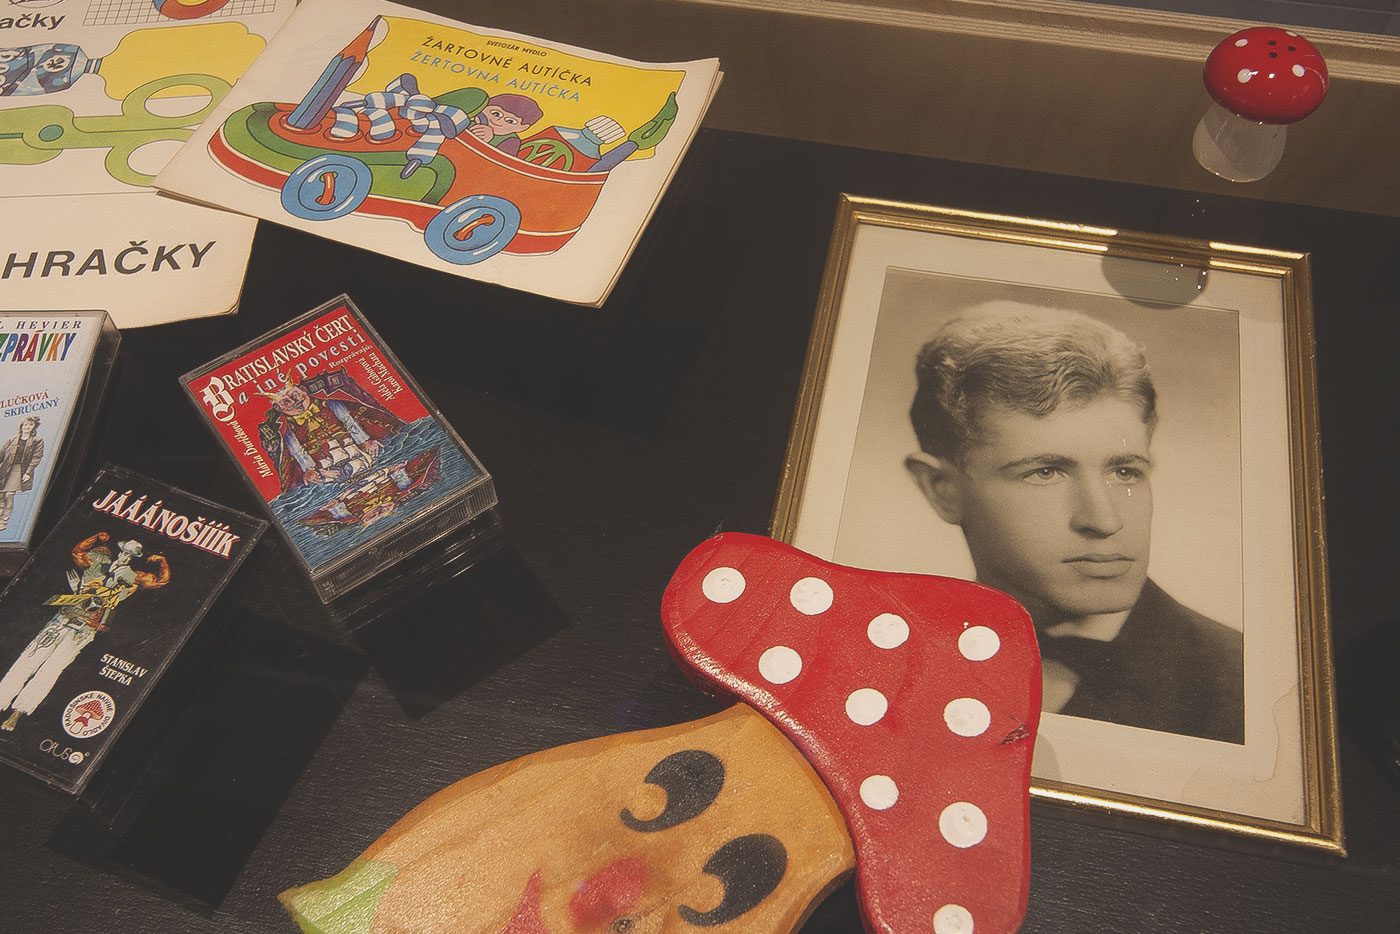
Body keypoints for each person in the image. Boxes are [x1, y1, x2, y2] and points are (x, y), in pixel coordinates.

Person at [905, 302, 1244, 744]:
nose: (1104, 521)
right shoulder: (896, 658)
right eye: (1045, 472)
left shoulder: (1240, 688)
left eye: (1125, 471)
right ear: (942, 490)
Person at [0, 532, 169, 732]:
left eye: (129, 555)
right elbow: (77, 553)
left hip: (86, 627)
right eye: (124, 552)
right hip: (63, 618)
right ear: (119, 551)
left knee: (52, 669)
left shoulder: (135, 577)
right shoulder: (98, 563)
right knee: (28, 659)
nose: (125, 557)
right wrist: (96, 537)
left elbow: (160, 581)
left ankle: (18, 712)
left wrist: (162, 561)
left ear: (133, 558)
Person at [256, 370, 406, 493]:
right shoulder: (287, 432)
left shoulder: (333, 404)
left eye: (295, 395)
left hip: (362, 457)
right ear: (278, 408)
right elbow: (294, 460)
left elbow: (357, 420)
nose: (294, 402)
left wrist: (366, 441)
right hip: (329, 478)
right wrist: (307, 473)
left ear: (303, 390)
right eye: (285, 402)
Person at [0, 415, 43, 532]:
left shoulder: (37, 440)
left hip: (19, 470)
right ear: (21, 426)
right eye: (25, 424)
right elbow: (1, 453)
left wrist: (28, 472)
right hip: (6, 470)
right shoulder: (12, 439)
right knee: (1, 495)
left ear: (34, 427)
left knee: (9, 494)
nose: (27, 427)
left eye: (30, 425)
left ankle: (3, 522)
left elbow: (37, 457)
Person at [467, 93, 543, 156]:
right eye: (495, 114)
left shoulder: (511, 141)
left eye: (510, 121)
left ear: (522, 127)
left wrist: (486, 142)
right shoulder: (468, 122)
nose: (498, 121)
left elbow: (498, 160)